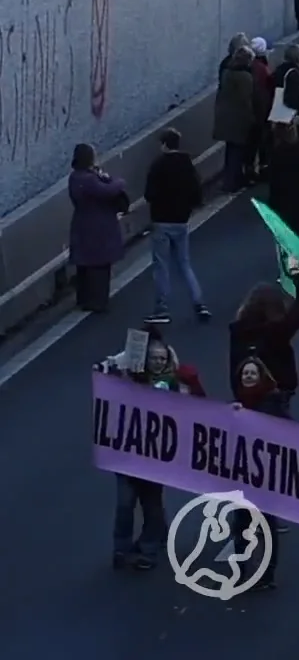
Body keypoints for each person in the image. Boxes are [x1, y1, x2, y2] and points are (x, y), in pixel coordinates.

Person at [97, 333, 206, 569]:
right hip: (126, 456)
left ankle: (148, 549)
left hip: (156, 458)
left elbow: (197, 405)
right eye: (154, 357)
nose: (157, 361)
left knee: (151, 503)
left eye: (162, 358)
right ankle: (121, 548)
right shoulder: (131, 379)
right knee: (124, 504)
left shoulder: (174, 384)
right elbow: (106, 374)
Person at [142, 128, 208, 323]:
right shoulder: (187, 164)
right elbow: (197, 192)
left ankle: (162, 308)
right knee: (184, 263)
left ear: (163, 144)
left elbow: (149, 194)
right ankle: (199, 303)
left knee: (161, 266)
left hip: (162, 221)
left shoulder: (158, 165)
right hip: (182, 220)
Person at [228, 264, 299, 402]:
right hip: (276, 394)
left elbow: (234, 366)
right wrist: (298, 275)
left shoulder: (238, 331)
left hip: (246, 395)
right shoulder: (276, 331)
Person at [69, 142, 129, 314]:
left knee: (84, 265)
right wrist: (118, 181)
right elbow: (108, 190)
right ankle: (98, 301)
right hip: (99, 226)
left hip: (82, 223)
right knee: (100, 266)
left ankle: (84, 298)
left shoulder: (75, 177)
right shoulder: (89, 179)